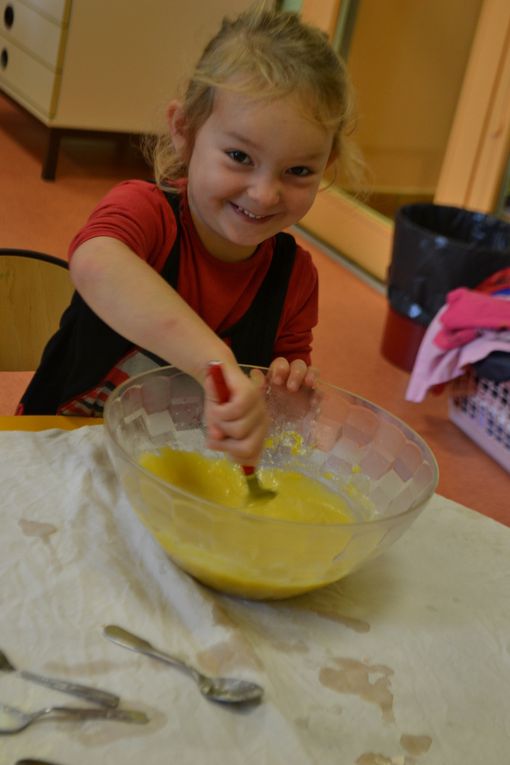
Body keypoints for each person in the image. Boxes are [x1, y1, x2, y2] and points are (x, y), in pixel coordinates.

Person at [18, 1, 360, 466]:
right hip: (63, 448)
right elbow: (96, 263)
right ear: (184, 130)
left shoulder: (295, 277)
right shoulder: (146, 212)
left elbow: (273, 426)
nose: (263, 195)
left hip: (179, 474)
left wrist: (284, 411)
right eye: (240, 157)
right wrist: (214, 363)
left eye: (298, 170)